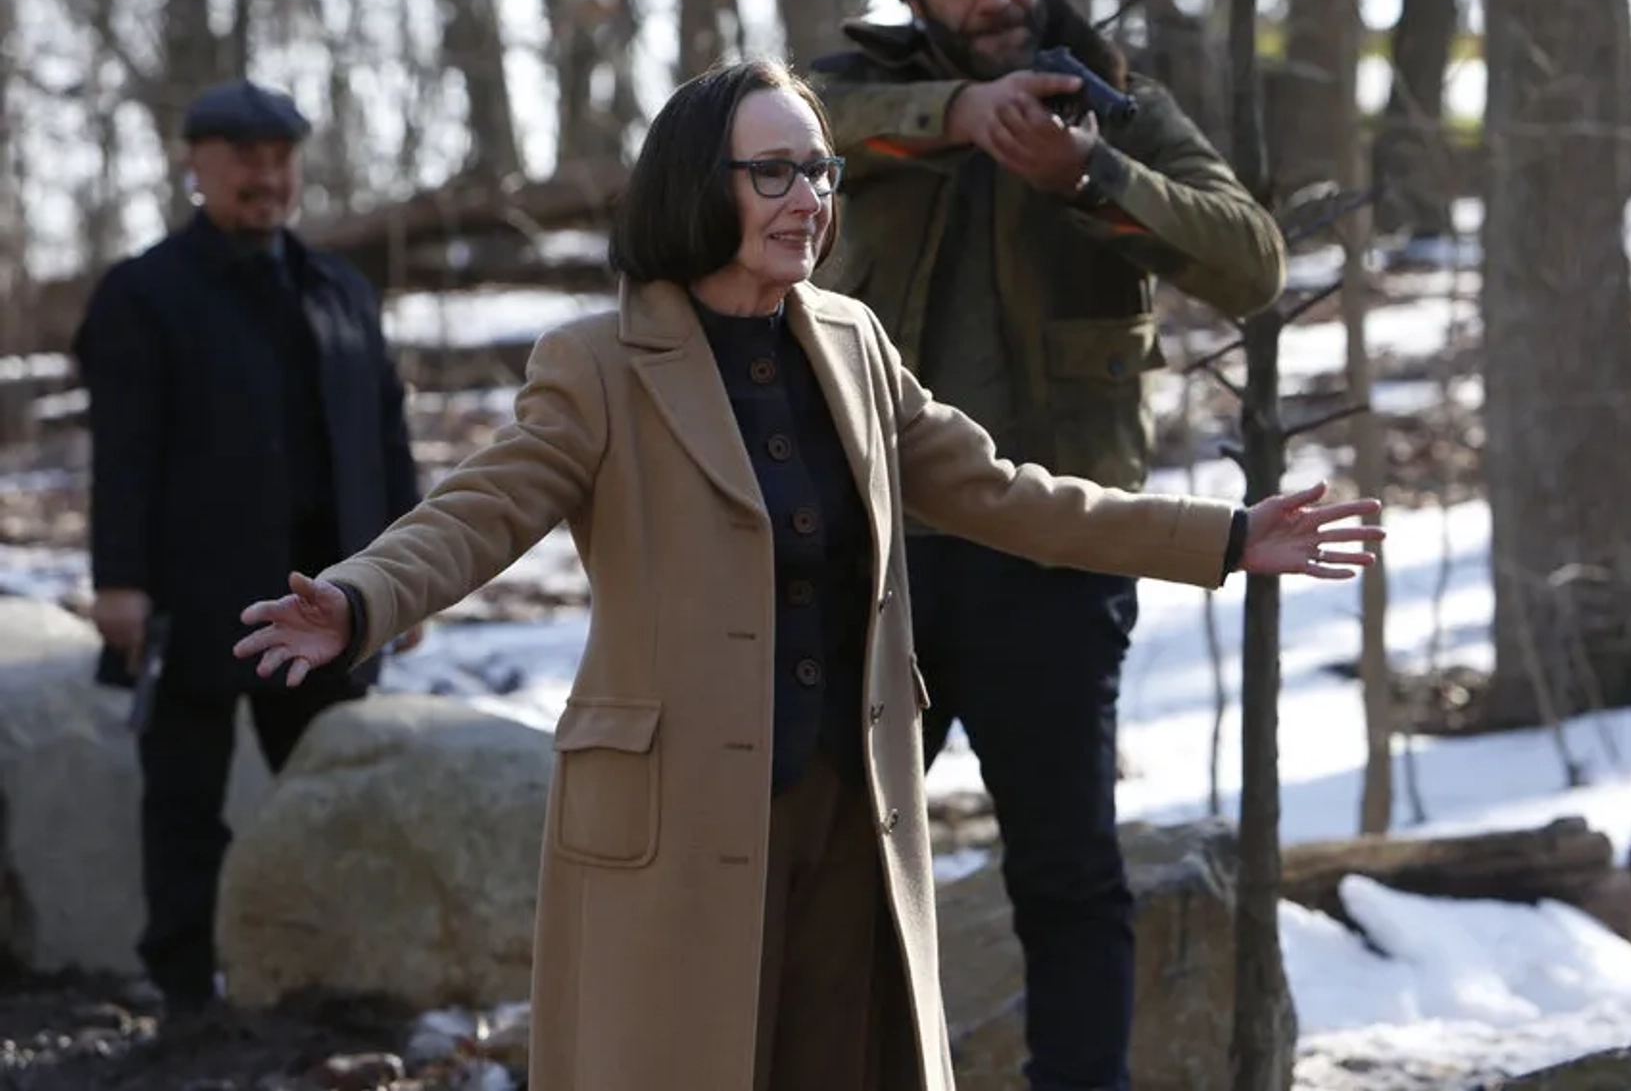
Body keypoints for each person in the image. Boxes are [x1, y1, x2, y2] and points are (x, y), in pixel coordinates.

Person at [233, 60, 1382, 1091]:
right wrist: (361, 597)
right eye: (774, 172)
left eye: (820, 171)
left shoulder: (853, 342)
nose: (810, 199)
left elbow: (1006, 495)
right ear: (700, 185)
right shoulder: (596, 362)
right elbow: (486, 507)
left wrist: (1224, 537)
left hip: (850, 799)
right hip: (674, 814)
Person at [806, 0, 1292, 1091]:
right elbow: (773, 132)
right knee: (813, 864)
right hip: (872, 561)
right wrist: (954, 120)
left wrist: (1092, 179)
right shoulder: (855, 97)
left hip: (1058, 558)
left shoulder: (1114, 100)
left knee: (1069, 878)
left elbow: (1252, 262)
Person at [73, 78, 424, 1018]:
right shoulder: (143, 294)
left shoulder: (340, 289)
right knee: (183, 801)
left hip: (332, 601)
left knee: (332, 795)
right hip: (196, 598)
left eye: (281, 159)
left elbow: (387, 441)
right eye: (245, 160)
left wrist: (407, 581)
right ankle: (184, 990)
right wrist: (120, 584)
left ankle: (330, 978)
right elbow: (124, 452)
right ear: (198, 164)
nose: (266, 179)